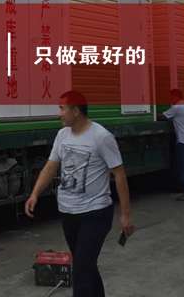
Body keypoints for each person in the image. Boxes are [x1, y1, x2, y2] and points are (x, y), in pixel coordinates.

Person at [25, 90, 133, 297]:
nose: (59, 113)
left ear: (75, 111)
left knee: (82, 270)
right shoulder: (62, 135)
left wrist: (125, 215)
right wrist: (35, 193)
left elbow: (119, 174)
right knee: (87, 265)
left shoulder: (101, 137)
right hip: (68, 212)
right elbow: (51, 166)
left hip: (95, 213)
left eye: (62, 109)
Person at [159, 88, 184, 201]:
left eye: (171, 97)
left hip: (183, 141)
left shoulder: (176, 108)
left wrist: (153, 115)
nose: (170, 100)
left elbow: (163, 116)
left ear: (175, 97)